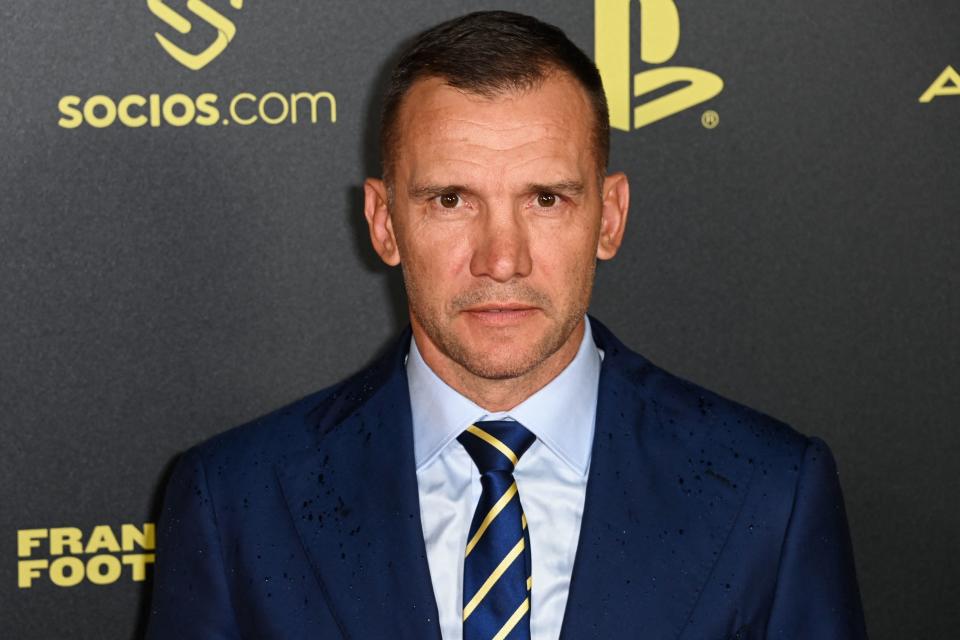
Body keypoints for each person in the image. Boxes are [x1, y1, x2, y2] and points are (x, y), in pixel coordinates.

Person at [146, 11, 867, 640]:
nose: (501, 258)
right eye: (451, 199)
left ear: (608, 217)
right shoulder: (235, 501)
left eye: (546, 198)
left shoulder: (768, 492)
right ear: (384, 221)